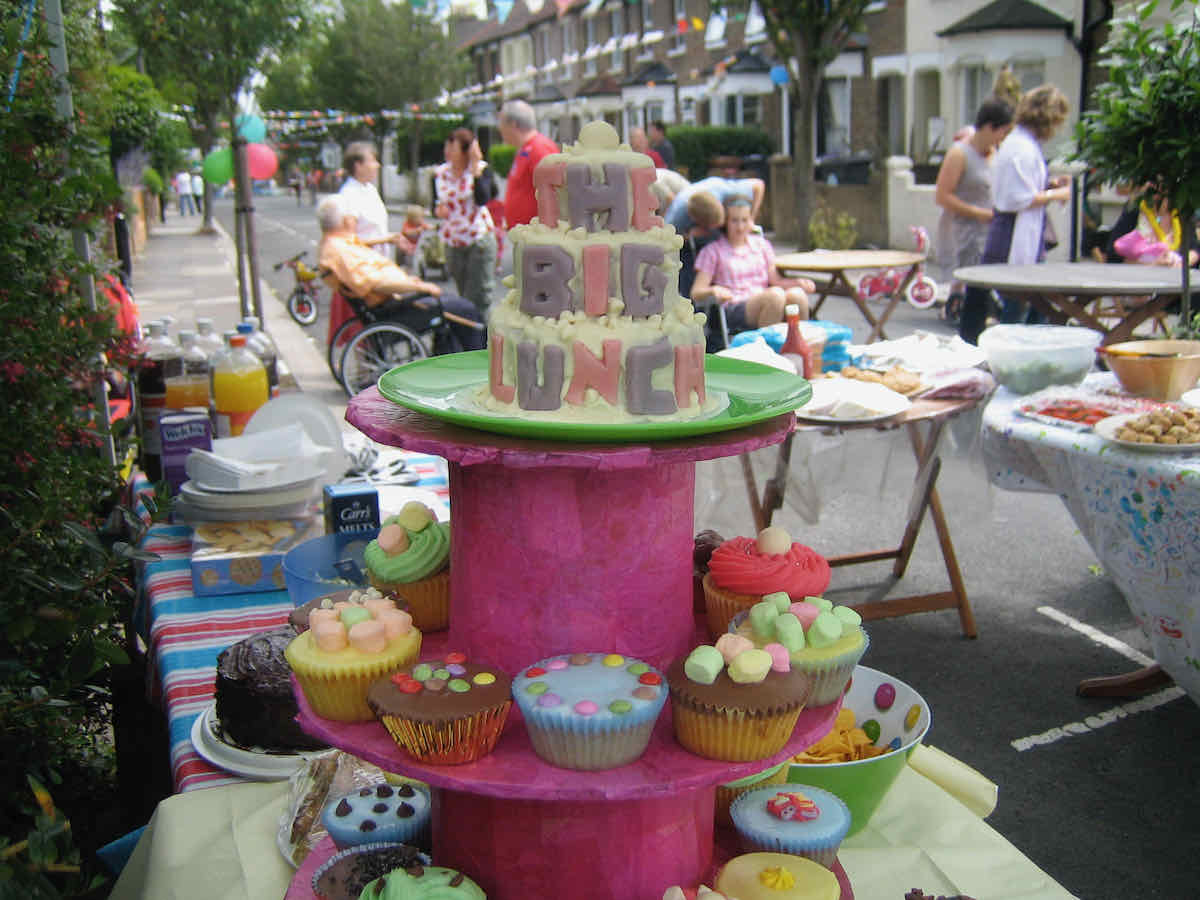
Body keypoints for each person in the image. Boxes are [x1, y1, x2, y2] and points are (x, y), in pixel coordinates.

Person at [958, 84, 1071, 344]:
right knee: (1019, 300)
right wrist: (1057, 195)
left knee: (1028, 299)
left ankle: (1017, 350)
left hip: (1018, 230)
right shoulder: (1021, 147)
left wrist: (1049, 186)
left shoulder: (1019, 143)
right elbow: (1017, 199)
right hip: (1013, 233)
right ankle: (1010, 354)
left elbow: (1018, 189)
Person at [316, 196, 485, 351]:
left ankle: (450, 355)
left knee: (454, 306)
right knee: (465, 310)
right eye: (352, 218)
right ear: (345, 221)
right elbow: (376, 283)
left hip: (389, 302)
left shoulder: (337, 244)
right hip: (392, 306)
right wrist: (418, 285)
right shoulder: (342, 251)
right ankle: (475, 362)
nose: (355, 221)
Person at [934, 97, 1013, 324]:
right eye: (1003, 132)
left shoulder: (995, 153)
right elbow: (942, 196)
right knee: (970, 284)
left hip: (988, 232)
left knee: (985, 285)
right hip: (962, 231)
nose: (1003, 138)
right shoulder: (959, 154)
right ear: (989, 127)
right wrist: (979, 213)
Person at [689, 194, 815, 332]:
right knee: (775, 296)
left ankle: (800, 346)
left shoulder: (762, 245)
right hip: (734, 306)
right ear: (725, 222)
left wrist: (798, 283)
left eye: (744, 220)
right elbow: (696, 292)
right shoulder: (712, 251)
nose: (740, 227)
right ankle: (766, 349)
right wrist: (713, 290)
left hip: (766, 298)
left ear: (751, 221)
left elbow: (775, 280)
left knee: (797, 295)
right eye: (734, 221)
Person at [435, 128, 499, 315]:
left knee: (479, 299)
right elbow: (437, 201)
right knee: (463, 300)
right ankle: (470, 342)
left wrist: (475, 168)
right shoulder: (440, 173)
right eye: (447, 146)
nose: (448, 152)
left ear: (466, 151)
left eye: (453, 148)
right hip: (453, 242)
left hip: (478, 240)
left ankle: (482, 343)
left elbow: (483, 198)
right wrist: (438, 210)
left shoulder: (481, 170)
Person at [337, 141, 414, 259]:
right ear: (358, 165)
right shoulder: (349, 195)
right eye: (372, 161)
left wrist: (392, 237)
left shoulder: (370, 189)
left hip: (378, 263)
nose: (377, 165)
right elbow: (349, 241)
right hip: (362, 265)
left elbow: (373, 231)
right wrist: (387, 239)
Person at [498, 100, 558, 227]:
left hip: (537, 238)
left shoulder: (539, 149)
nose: (500, 129)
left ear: (513, 124)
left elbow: (554, 192)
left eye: (501, 123)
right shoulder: (526, 148)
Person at [664, 175, 764, 235]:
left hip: (716, 186)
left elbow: (758, 185)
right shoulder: (676, 216)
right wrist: (687, 236)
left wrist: (751, 219)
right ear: (697, 222)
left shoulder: (727, 191)